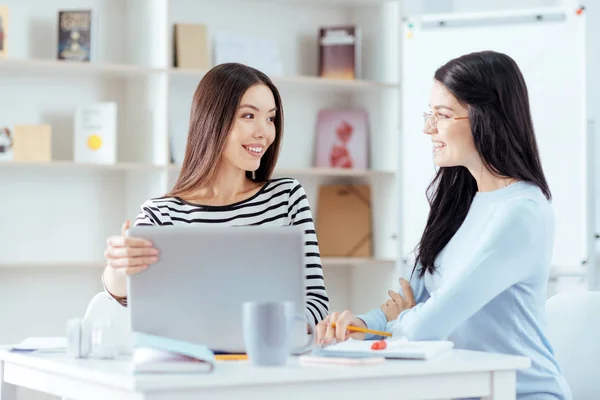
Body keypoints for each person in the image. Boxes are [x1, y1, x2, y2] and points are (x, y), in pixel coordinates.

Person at [315, 51, 572, 399]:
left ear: (487, 118)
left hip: (519, 393)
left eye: (443, 115)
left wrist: (394, 322)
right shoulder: (459, 202)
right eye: (429, 114)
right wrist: (361, 326)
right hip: (462, 389)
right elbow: (413, 302)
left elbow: (426, 323)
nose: (428, 127)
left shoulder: (522, 213)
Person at [101, 62, 329, 327]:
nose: (264, 132)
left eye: (270, 118)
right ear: (213, 119)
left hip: (269, 359)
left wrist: (273, 333)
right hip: (188, 361)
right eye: (248, 116)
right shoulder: (162, 213)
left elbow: (316, 302)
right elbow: (129, 297)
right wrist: (118, 266)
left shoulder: (287, 198)